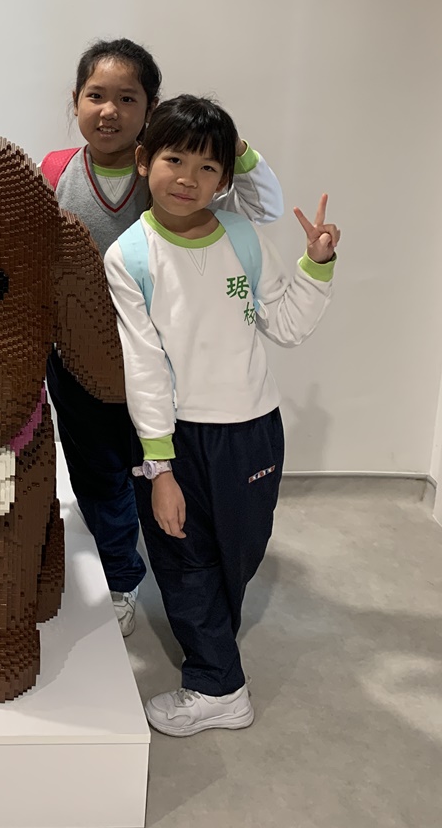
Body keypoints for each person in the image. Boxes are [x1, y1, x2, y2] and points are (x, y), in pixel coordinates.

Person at [105, 95, 338, 736]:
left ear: (225, 179)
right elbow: (143, 366)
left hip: (254, 430)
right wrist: (160, 469)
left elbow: (285, 325)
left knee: (238, 553)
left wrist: (316, 266)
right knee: (183, 558)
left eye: (207, 167)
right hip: (177, 438)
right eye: (174, 160)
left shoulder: (242, 236)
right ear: (145, 160)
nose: (188, 178)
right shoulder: (129, 256)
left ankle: (213, 654)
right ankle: (219, 686)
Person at [40, 40, 283, 636]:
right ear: (75, 100)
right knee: (98, 474)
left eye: (128, 99)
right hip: (77, 364)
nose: (109, 111)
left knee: (155, 471)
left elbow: (263, 205)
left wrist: (232, 144)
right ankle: (121, 576)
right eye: (96, 96)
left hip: (164, 366)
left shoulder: (170, 170)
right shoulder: (54, 170)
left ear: (150, 109)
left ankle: (186, 581)